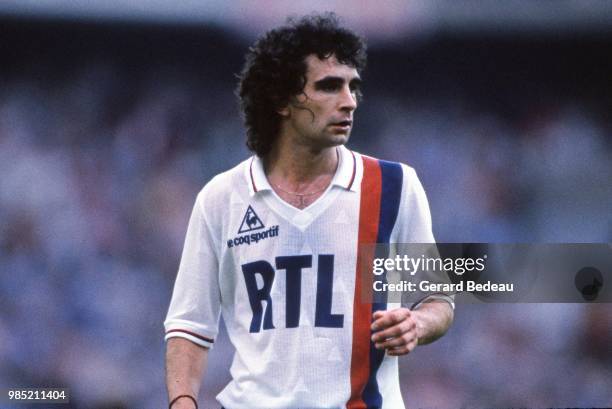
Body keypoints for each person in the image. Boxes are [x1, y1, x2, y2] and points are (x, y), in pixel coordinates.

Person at [164, 12, 454, 409]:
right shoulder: (221, 198)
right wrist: (182, 402)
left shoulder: (395, 187)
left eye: (353, 87)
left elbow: (438, 299)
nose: (349, 102)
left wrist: (417, 324)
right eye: (329, 87)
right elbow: (189, 327)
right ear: (282, 100)